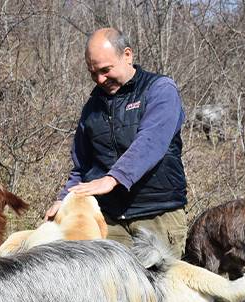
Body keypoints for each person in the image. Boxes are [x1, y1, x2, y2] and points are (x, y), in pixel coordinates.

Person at [46, 27, 188, 257]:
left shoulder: (160, 90)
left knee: (158, 281)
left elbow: (150, 141)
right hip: (109, 221)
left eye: (105, 70)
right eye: (93, 73)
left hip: (157, 215)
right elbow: (83, 166)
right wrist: (63, 200)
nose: (100, 79)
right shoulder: (92, 108)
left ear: (127, 55)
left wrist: (113, 178)